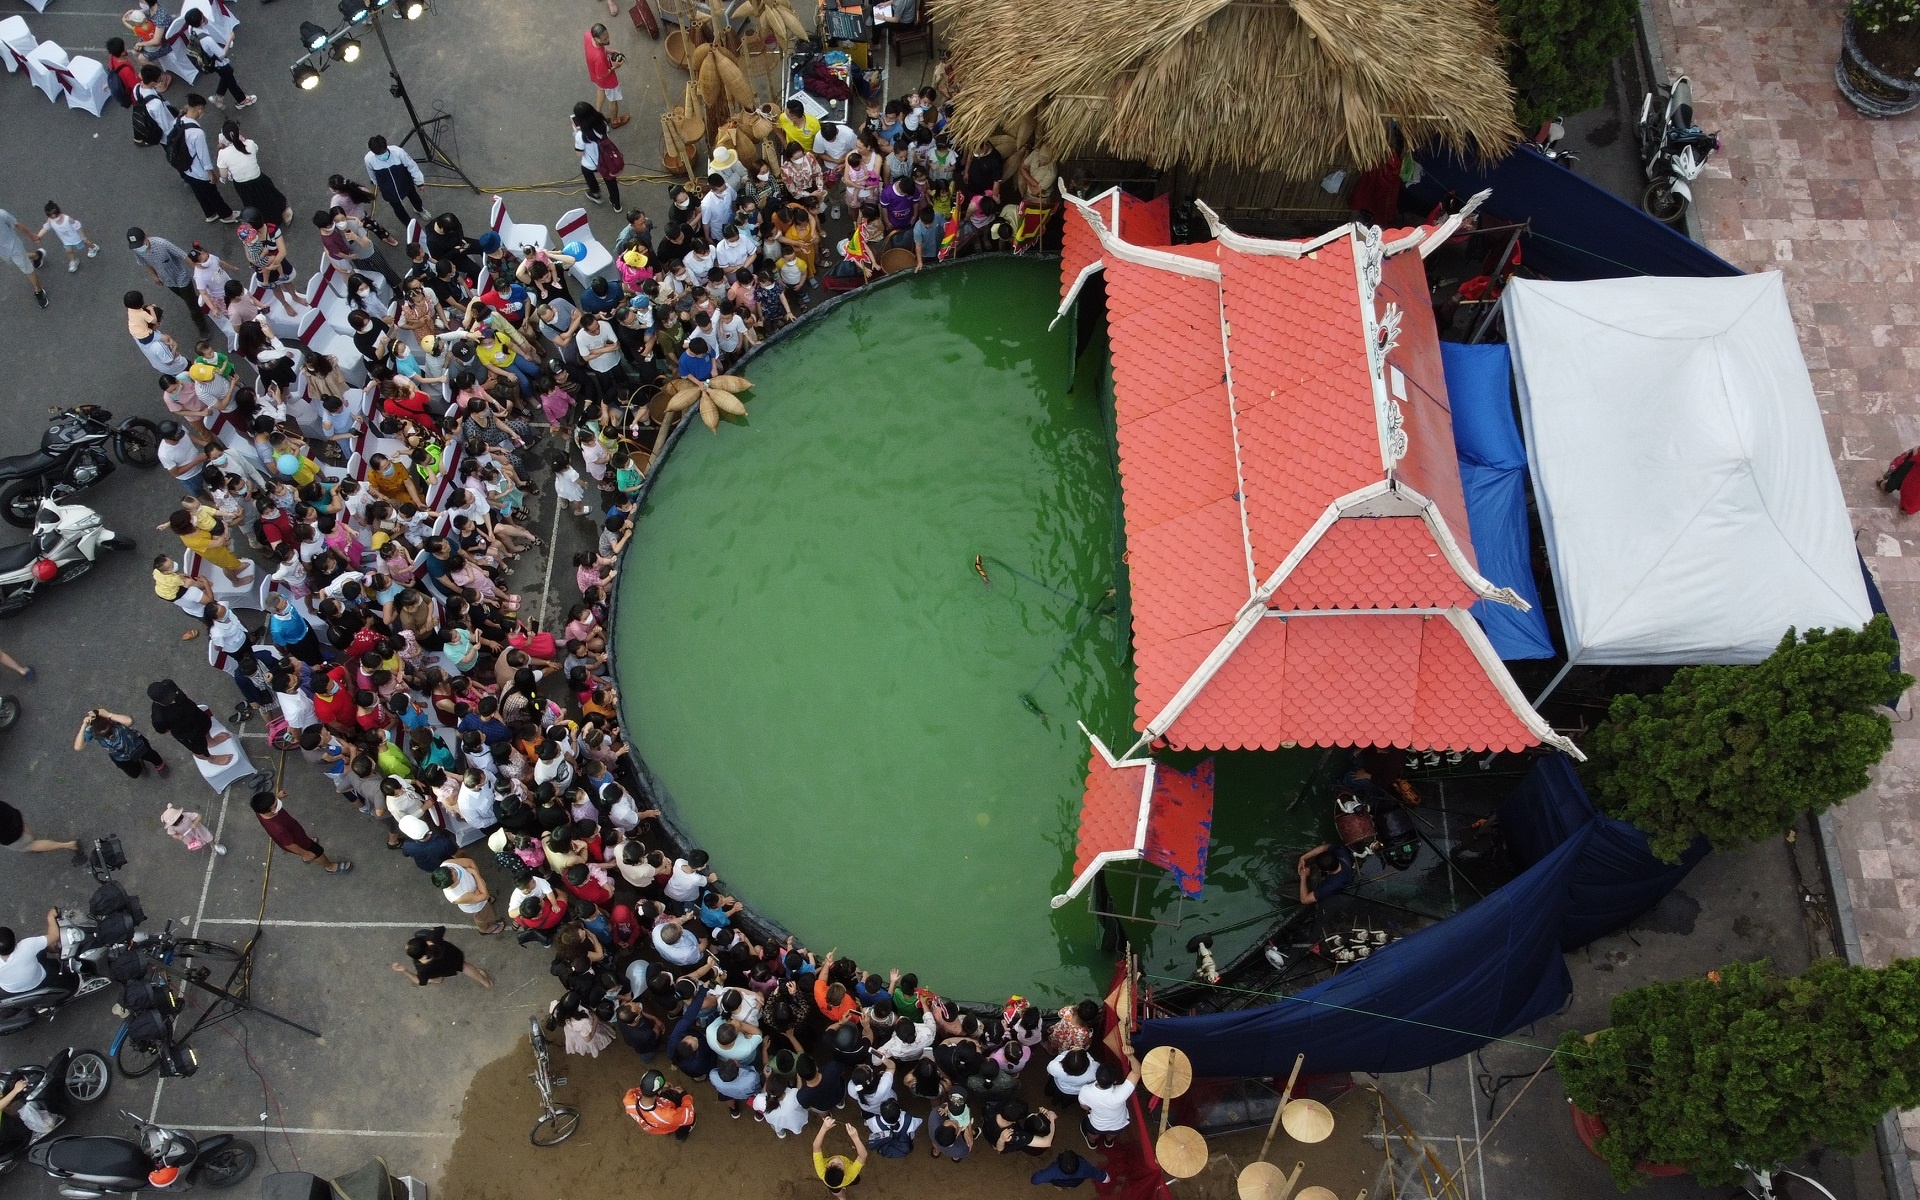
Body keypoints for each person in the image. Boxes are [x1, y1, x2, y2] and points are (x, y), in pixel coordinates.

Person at [127, 228, 210, 334]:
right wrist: (154, 276)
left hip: (182, 277)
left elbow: (183, 256)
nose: (139, 248)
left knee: (191, 305)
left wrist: (199, 272)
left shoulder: (162, 244)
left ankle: (201, 325)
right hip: (168, 280)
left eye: (140, 244)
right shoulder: (137, 250)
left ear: (146, 237)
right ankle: (203, 305)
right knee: (189, 298)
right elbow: (145, 263)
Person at [171, 95, 238, 224]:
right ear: (200, 109)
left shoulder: (178, 121)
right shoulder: (197, 133)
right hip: (198, 170)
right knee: (213, 193)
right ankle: (226, 215)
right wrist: (211, 173)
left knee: (199, 193)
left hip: (185, 167)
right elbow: (203, 156)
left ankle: (210, 213)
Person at [249, 791, 351, 874]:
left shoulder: (261, 812)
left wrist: (278, 797)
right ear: (269, 811)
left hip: (295, 832)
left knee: (308, 845)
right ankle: (330, 867)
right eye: (275, 804)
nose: (277, 802)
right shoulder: (277, 829)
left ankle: (307, 854)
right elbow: (289, 844)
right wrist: (305, 853)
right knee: (317, 852)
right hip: (299, 842)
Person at [215, 124, 290, 227]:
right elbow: (255, 149)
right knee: (270, 197)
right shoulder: (249, 144)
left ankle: (262, 223)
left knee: (252, 204)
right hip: (259, 179)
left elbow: (223, 174)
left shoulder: (223, 154)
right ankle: (282, 213)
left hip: (242, 185)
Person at [181, 10, 254, 109]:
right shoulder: (207, 40)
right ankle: (242, 100)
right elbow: (221, 55)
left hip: (211, 62)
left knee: (227, 76)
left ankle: (219, 97)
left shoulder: (192, 29)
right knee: (231, 81)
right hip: (219, 63)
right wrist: (230, 39)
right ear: (201, 20)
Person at [74, 708, 170, 779]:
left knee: (151, 755)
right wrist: (84, 726)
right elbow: (78, 747)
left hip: (137, 743)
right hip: (120, 756)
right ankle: (139, 765)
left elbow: (128, 721)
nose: (106, 732)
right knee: (134, 773)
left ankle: (159, 764)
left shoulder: (111, 719)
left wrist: (109, 714)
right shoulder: (91, 730)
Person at [392, 925, 491, 986]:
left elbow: (420, 981)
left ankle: (437, 979)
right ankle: (486, 983)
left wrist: (405, 971)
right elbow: (441, 929)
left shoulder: (422, 968)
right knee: (465, 967)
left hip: (442, 971)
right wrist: (430, 937)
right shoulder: (434, 939)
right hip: (454, 958)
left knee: (434, 976)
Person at [431, 855, 506, 933]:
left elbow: (470, 862)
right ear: (451, 883)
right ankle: (484, 929)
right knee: (482, 918)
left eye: (451, 869)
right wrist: (475, 873)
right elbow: (484, 896)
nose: (455, 870)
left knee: (486, 900)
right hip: (478, 907)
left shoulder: (446, 864)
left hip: (479, 893)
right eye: (454, 875)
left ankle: (488, 902)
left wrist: (479, 889)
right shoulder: (457, 896)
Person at [1076, 1058, 1139, 1150]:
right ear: (1114, 1081)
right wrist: (1130, 1056)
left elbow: (1084, 1107)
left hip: (1097, 1125)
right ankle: (1108, 1141)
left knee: (1093, 1134)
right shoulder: (1121, 1093)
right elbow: (1136, 1072)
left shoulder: (1085, 1090)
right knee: (1112, 1133)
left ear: (1096, 1076)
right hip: (1119, 1124)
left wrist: (1091, 1109)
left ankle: (1092, 1143)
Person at [571, 103, 623, 210]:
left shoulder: (581, 135)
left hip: (592, 163)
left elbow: (579, 153)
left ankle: (595, 193)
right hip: (607, 160)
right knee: (611, 181)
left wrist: (576, 133)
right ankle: (616, 204)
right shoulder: (602, 123)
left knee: (586, 172)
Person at [365, 136, 428, 221]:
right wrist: (378, 185)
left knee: (415, 198)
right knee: (397, 208)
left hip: (405, 183)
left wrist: (419, 182)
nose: (382, 155)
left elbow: (412, 166)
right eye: (378, 154)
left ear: (386, 146)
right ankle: (408, 224)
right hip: (388, 190)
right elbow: (372, 174)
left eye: (383, 152)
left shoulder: (398, 152)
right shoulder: (368, 159)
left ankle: (419, 209)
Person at [0, 909, 59, 994]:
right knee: (50, 956)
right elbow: (55, 935)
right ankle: (56, 951)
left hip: (11, 990)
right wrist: (51, 916)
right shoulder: (27, 946)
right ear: (15, 941)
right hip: (39, 979)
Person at [624, 1070, 695, 1139]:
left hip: (654, 1127)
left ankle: (667, 1131)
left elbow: (643, 1088)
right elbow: (688, 1114)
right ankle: (681, 1135)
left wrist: (661, 1085)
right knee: (690, 1120)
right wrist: (685, 1095)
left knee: (663, 1126)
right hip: (668, 1122)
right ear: (659, 1091)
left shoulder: (629, 1099)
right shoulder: (667, 1115)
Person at [583, 24, 628, 128]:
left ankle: (596, 116)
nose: (608, 40)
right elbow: (601, 75)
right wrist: (615, 67)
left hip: (594, 73)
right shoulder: (599, 58)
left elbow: (597, 77)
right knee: (613, 99)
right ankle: (615, 120)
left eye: (607, 36)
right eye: (605, 39)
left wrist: (607, 51)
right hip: (607, 80)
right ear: (597, 39)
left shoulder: (588, 35)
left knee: (601, 89)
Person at [812, 1116, 867, 1197]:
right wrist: (855, 1137)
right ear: (845, 1172)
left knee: (836, 1191)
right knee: (856, 1180)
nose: (837, 1159)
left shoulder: (821, 1170)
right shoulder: (850, 1175)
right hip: (846, 1181)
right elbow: (863, 1156)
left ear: (826, 1168)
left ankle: (841, 1197)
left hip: (832, 1184)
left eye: (832, 1163)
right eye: (840, 1164)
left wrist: (824, 1128)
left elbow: (816, 1147)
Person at [37, 202, 99, 274]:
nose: (54, 218)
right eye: (51, 216)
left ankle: (93, 247)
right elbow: (45, 228)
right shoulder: (50, 220)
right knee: (69, 251)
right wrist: (38, 236)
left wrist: (83, 236)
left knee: (86, 243)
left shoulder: (67, 219)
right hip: (66, 240)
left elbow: (77, 227)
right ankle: (74, 261)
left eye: (55, 215)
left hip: (76, 237)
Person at [0, 800, 77, 857]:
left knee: (30, 845)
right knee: (20, 828)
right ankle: (26, 835)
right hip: (11, 814)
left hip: (9, 834)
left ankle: (68, 845)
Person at [156, 421, 207, 494]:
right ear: (170, 438)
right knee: (199, 491)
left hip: (201, 462)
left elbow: (189, 436)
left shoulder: (179, 430)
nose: (181, 434)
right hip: (190, 476)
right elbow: (176, 473)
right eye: (177, 435)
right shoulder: (164, 454)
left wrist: (205, 444)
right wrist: (197, 461)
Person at [1031, 1150, 1110, 1188]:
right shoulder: (1085, 1166)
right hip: (1076, 1183)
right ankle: (1069, 1187)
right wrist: (1106, 1178)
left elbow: (1035, 1180)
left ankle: (1059, 1187)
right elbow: (1099, 1175)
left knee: (1057, 1184)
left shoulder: (1053, 1170)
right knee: (1072, 1185)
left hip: (1059, 1182)